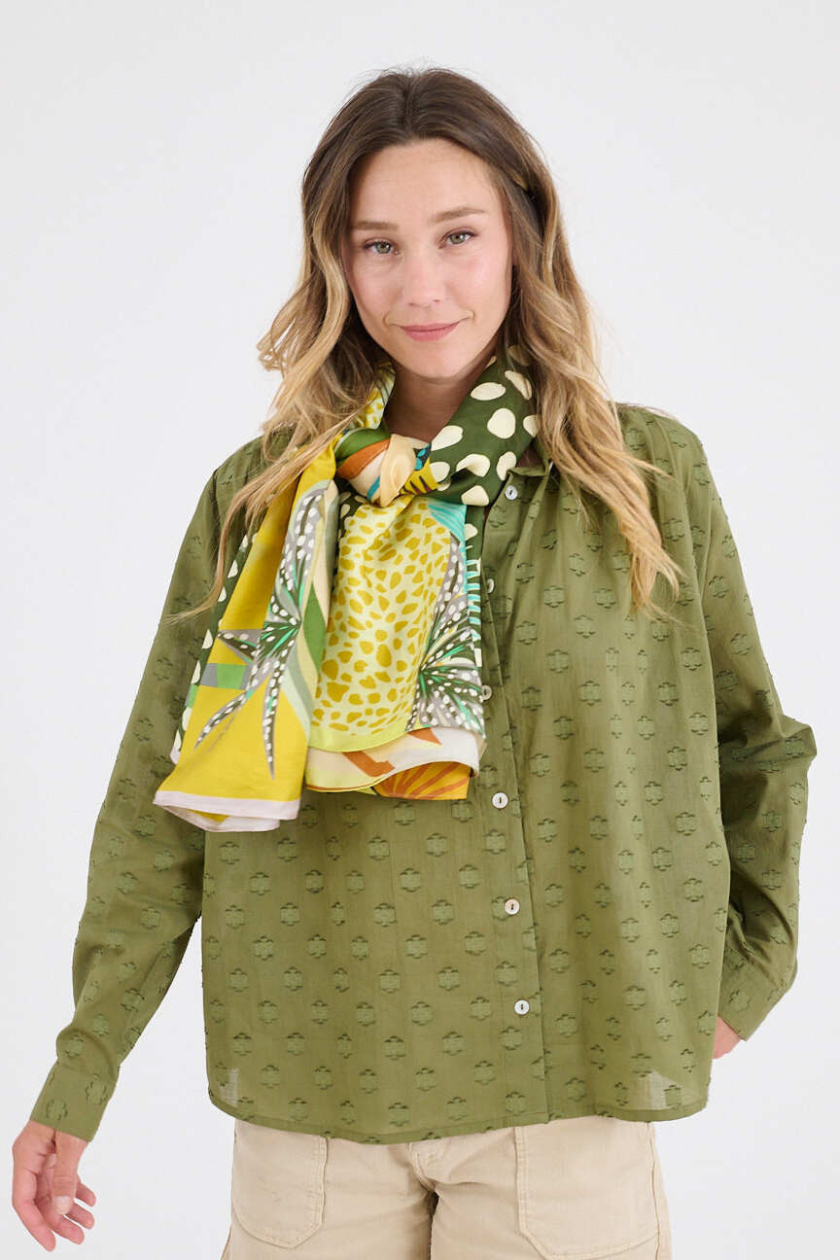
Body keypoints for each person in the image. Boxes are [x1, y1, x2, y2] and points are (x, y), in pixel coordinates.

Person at [13, 65, 816, 1258]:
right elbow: (159, 798)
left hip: (572, 1088)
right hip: (317, 1091)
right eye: (378, 245)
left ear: (523, 239)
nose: (421, 285)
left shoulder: (648, 479)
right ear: (334, 262)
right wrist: (83, 1072)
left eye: (457, 236)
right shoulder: (261, 503)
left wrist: (747, 975)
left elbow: (756, 745)